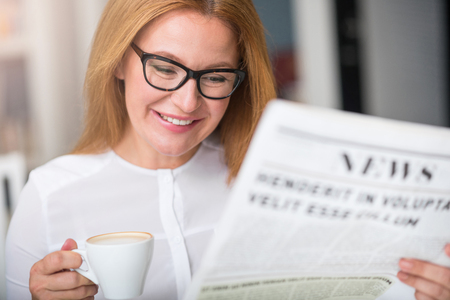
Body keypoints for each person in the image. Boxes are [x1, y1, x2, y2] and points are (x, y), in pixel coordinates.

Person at [4, 0, 450, 299]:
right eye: (164, 67)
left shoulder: (265, 177)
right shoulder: (50, 194)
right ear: (119, 59)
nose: (186, 102)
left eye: (215, 77)